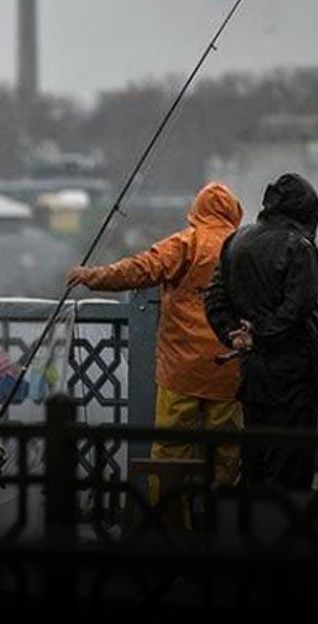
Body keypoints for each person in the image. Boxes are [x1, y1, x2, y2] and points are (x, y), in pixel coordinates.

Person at [68, 183, 245, 511]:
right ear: (234, 212)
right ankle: (217, 524)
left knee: (169, 453)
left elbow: (139, 269)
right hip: (228, 371)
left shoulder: (186, 243)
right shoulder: (242, 247)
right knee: (225, 454)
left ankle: (169, 526)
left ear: (198, 211)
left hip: (181, 372)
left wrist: (92, 276)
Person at [205, 173, 318, 490]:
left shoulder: (236, 241)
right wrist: (261, 333)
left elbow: (215, 297)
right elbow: (298, 308)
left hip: (252, 373)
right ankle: (283, 534)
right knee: (290, 467)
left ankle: (252, 533)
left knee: (255, 460)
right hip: (295, 375)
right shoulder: (299, 247)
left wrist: (234, 334)